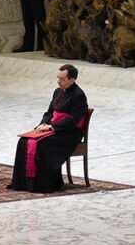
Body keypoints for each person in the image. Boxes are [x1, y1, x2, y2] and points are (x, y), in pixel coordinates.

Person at [8, 64, 89, 193]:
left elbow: (73, 120)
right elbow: (49, 113)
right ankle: (23, 183)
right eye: (58, 78)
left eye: (62, 79)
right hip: (53, 128)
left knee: (42, 144)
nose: (58, 81)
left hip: (69, 133)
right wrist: (42, 126)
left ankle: (45, 184)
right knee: (24, 141)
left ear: (72, 80)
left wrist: (51, 127)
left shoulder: (79, 95)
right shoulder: (57, 91)